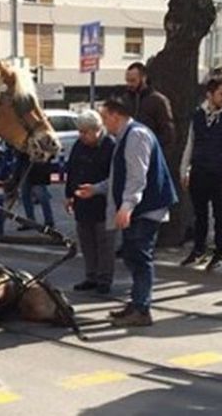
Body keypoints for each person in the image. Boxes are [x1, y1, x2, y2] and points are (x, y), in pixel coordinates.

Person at [75, 97, 178, 327]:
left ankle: (141, 309)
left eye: (104, 117)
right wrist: (96, 189)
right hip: (139, 207)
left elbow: (136, 177)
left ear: (115, 115)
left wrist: (126, 206)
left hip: (146, 208)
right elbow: (119, 176)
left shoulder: (136, 135)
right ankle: (137, 302)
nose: (102, 123)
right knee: (132, 254)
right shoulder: (125, 136)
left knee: (139, 256)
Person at [179, 76, 222, 271]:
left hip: (219, 172)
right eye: (221, 93)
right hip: (199, 171)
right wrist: (184, 170)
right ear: (210, 94)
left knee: (220, 214)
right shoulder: (198, 115)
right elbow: (190, 144)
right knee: (199, 214)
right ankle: (199, 249)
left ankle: (220, 252)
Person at [65, 110, 115, 294]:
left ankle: (104, 279)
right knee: (87, 242)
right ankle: (91, 275)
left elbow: (114, 177)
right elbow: (72, 170)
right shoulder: (79, 146)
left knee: (104, 243)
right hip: (82, 203)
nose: (82, 136)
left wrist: (96, 189)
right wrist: (69, 194)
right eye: (80, 132)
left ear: (97, 129)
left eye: (85, 132)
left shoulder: (110, 146)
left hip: (102, 204)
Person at [123, 62, 176, 156]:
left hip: (150, 153)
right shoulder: (126, 100)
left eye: (133, 81)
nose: (129, 84)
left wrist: (152, 149)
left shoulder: (158, 101)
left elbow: (167, 133)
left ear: (143, 78)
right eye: (127, 81)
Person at [14, 154, 55, 229]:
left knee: (42, 196)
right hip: (26, 167)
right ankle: (30, 221)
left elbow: (51, 152)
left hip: (38, 169)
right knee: (25, 196)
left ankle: (49, 221)